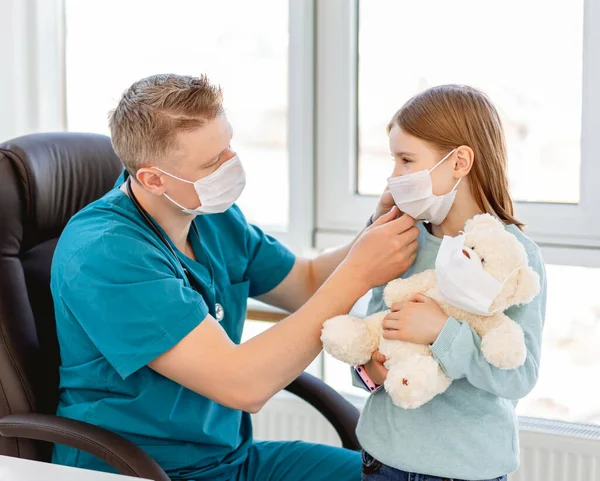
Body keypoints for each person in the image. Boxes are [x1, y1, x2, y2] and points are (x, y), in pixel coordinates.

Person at [50, 73, 419, 481]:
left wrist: (376, 228)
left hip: (231, 462)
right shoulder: (104, 252)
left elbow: (308, 282)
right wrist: (358, 273)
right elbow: (244, 385)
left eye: (227, 147)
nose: (230, 166)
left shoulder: (209, 216)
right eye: (211, 164)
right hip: (141, 471)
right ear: (152, 179)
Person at [355, 85, 547, 481]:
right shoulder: (399, 239)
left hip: (467, 469)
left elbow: (518, 376)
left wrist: (443, 333)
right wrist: (368, 366)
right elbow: (371, 332)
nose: (394, 177)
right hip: (382, 460)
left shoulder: (513, 258)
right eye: (394, 160)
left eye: (406, 160)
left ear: (459, 161)